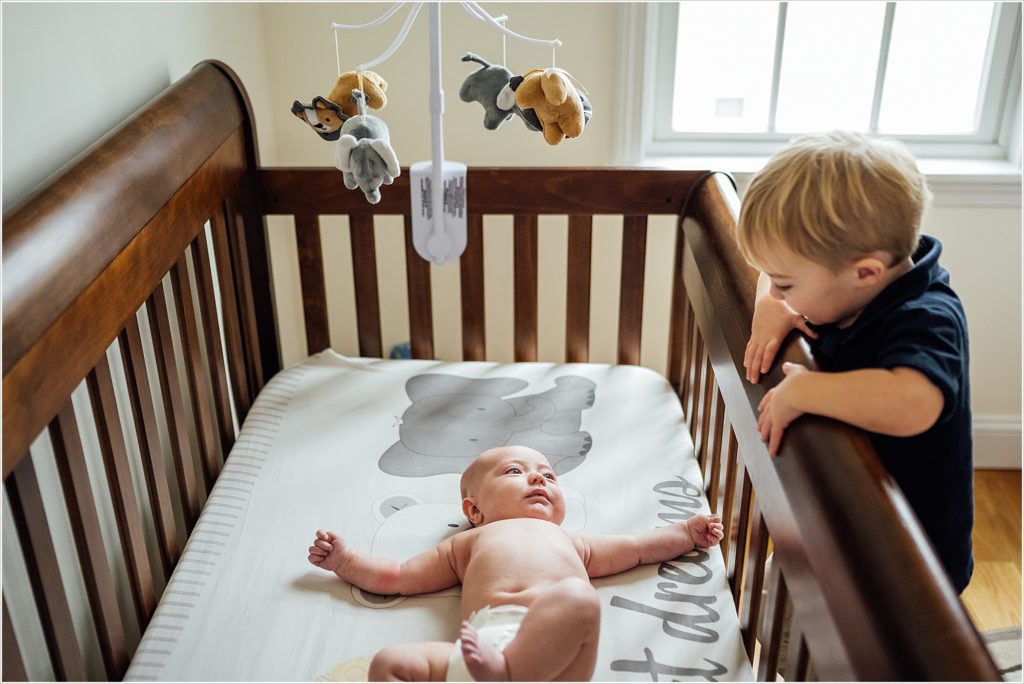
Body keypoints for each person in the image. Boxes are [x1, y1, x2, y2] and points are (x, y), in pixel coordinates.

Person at [736, 130, 973, 593]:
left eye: (785, 283)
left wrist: (809, 390)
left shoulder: (926, 315)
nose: (778, 291)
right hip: (844, 520)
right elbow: (775, 271)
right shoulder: (847, 280)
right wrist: (771, 300)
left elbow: (914, 401)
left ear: (865, 273)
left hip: (910, 558)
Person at [308, 445, 724, 681]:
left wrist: (686, 533)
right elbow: (397, 576)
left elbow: (636, 547)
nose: (540, 479)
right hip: (479, 653)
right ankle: (502, 671)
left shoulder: (572, 541)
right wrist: (345, 561)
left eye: (549, 476)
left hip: (551, 661)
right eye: (514, 471)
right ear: (475, 510)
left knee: (579, 599)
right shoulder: (468, 543)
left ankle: (509, 672)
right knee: (388, 665)